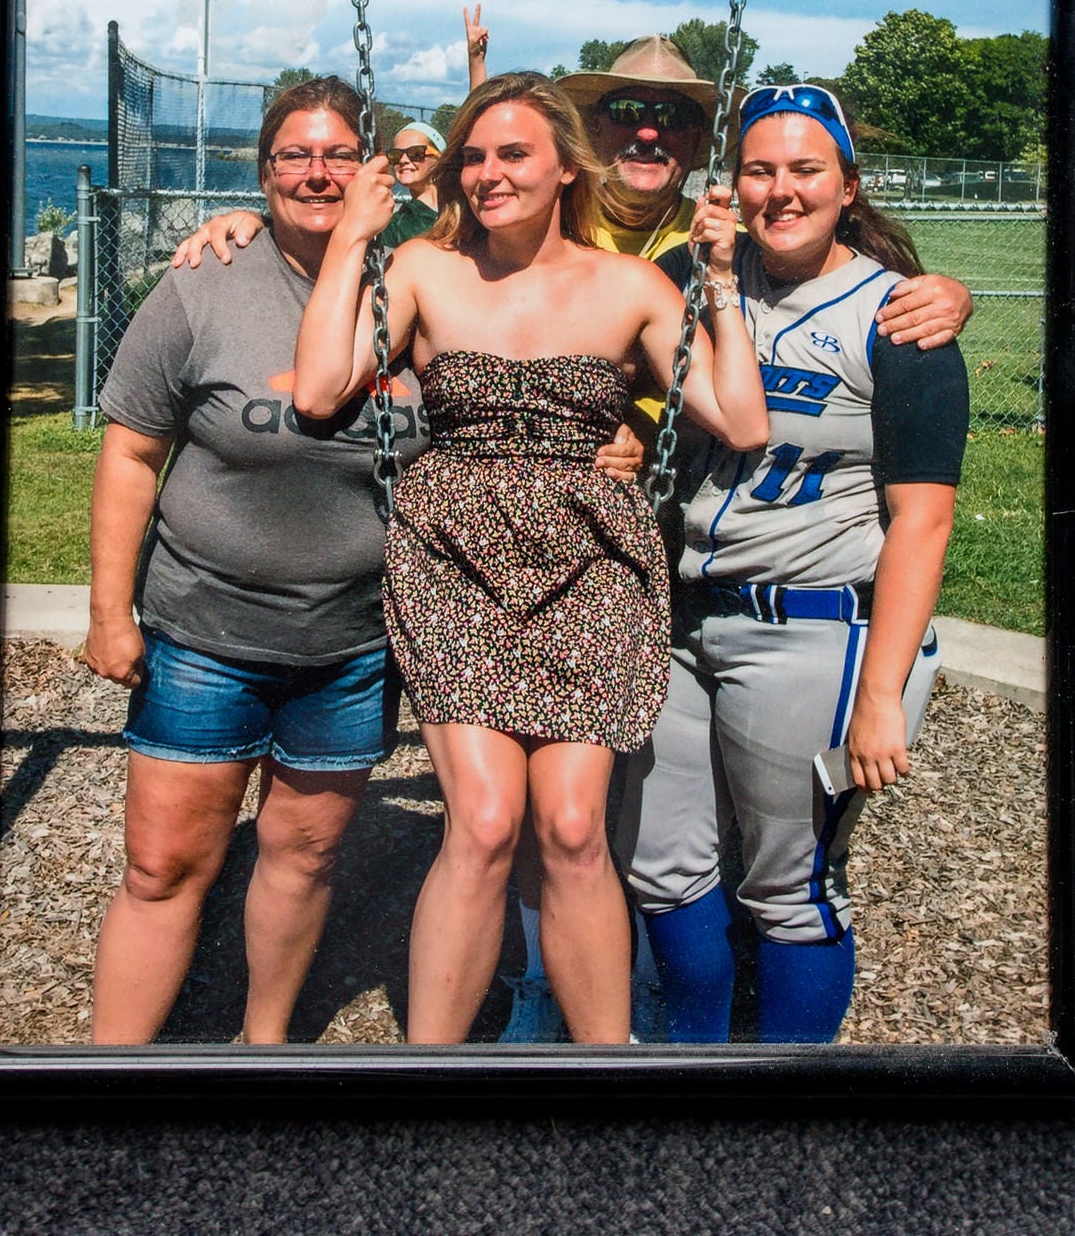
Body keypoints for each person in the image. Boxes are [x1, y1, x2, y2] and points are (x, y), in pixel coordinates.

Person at [290, 71, 770, 1044]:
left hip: (588, 562)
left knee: (572, 828)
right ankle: (430, 1069)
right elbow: (316, 392)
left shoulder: (630, 285)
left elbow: (741, 418)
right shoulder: (425, 270)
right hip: (454, 555)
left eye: (512, 153)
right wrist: (351, 239)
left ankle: (606, 1068)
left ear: (563, 167)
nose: (487, 171)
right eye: (473, 154)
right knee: (486, 821)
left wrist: (717, 281)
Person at [613, 81, 972, 1044]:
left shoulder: (899, 318)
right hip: (684, 623)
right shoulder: (702, 285)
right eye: (760, 169)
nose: (780, 189)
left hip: (811, 626)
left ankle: (789, 1098)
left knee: (790, 888)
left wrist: (884, 690)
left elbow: (923, 520)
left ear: (848, 186)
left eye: (805, 170)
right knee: (663, 865)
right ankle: (688, 1061)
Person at [82, 76, 431, 1045]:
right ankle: (112, 1072)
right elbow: (131, 451)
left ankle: (264, 1045)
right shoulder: (204, 282)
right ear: (264, 169)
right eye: (293, 156)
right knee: (162, 867)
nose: (316, 173)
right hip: (207, 631)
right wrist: (111, 613)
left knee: (302, 857)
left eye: (336, 154)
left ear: (371, 168)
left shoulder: (419, 285)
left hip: (354, 645)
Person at [378, 119, 446, 248]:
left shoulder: (461, 208)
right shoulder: (397, 224)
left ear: (438, 157)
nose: (403, 160)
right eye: (396, 155)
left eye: (415, 153)